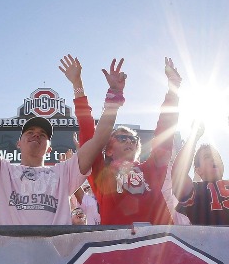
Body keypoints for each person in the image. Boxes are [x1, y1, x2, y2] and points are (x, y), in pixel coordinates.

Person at [0, 46, 124, 225]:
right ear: (18, 143)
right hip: (9, 252)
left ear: (49, 147)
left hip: (54, 253)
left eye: (43, 134)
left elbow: (99, 139)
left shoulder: (64, 173)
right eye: (29, 132)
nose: (36, 135)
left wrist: (113, 96)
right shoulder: (2, 171)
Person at [65, 55, 182, 225]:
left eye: (133, 139)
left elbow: (165, 129)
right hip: (118, 247)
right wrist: (78, 84)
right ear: (109, 150)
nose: (129, 141)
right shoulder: (100, 174)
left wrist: (174, 89)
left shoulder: (152, 170)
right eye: (122, 138)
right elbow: (87, 132)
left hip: (159, 247)